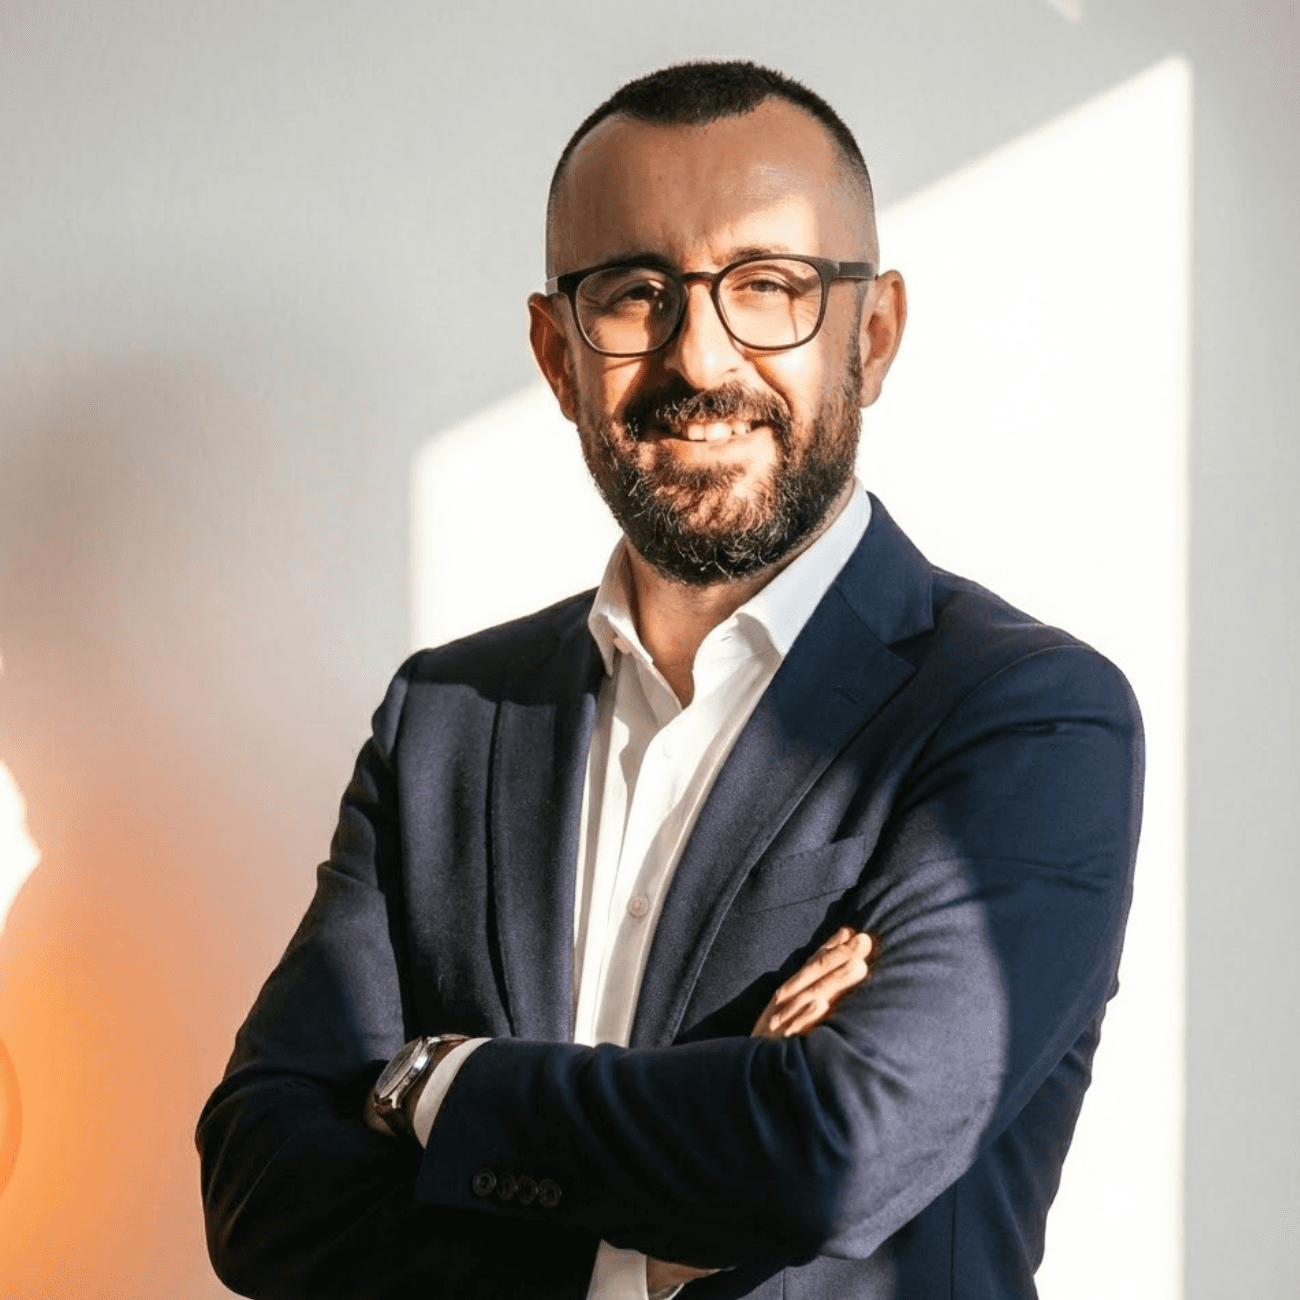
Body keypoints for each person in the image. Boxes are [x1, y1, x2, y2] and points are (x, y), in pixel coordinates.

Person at [197, 60, 1143, 1300]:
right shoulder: (444, 719)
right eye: (635, 293)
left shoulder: (1027, 717)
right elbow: (260, 1192)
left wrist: (433, 1083)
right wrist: (696, 1170)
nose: (702, 358)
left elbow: (830, 1153)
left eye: (769, 287)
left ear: (874, 333)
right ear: (555, 351)